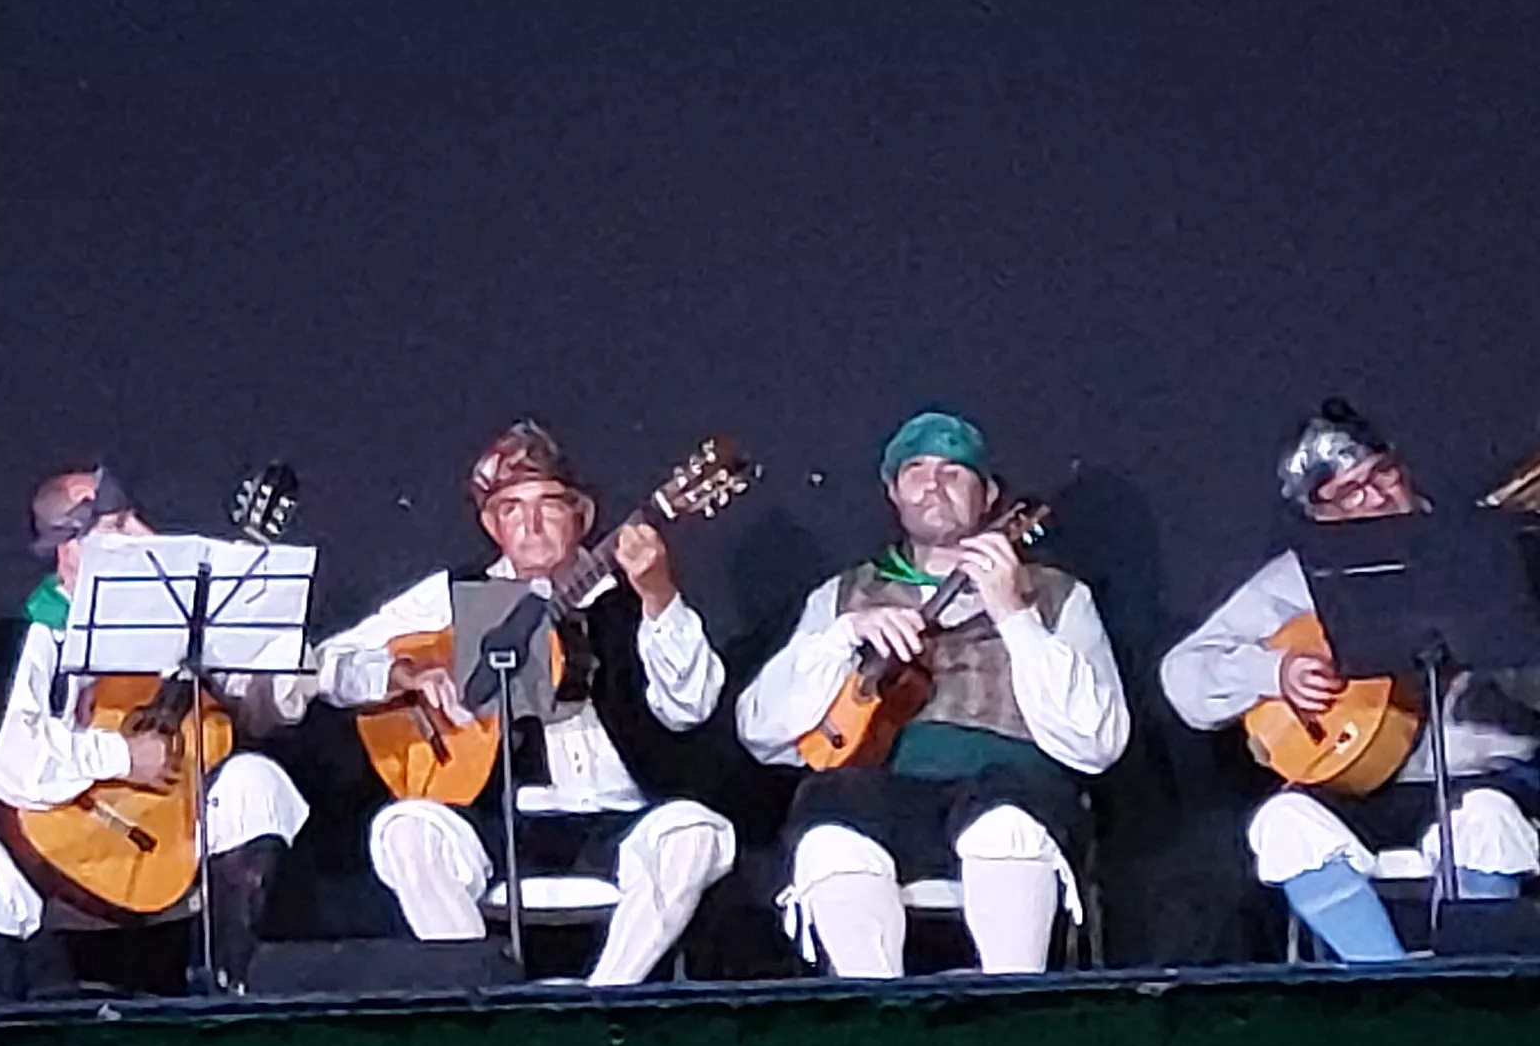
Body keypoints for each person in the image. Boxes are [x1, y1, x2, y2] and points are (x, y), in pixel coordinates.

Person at [309, 424, 737, 985]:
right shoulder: (455, 595)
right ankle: (480, 999)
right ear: (492, 526)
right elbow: (326, 664)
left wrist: (658, 594)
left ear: (580, 515)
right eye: (510, 509)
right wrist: (401, 673)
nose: (531, 525)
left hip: (613, 819)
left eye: (547, 506)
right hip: (496, 821)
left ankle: (606, 999)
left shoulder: (631, 594)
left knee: (697, 835)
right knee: (404, 829)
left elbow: (692, 705)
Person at [735, 409, 1126, 977]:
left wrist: (1015, 615)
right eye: (915, 470)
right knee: (831, 824)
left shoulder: (1059, 595)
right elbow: (761, 733)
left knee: (1004, 820)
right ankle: (875, 1019)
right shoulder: (845, 594)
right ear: (892, 492)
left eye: (954, 472)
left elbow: (1099, 742)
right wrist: (845, 634)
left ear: (988, 494)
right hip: (884, 791)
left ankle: (1011, 1010)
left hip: (1010, 787)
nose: (934, 483)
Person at [1154, 400, 1536, 962]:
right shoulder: (1301, 576)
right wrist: (1275, 672)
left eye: (1383, 474)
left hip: (1480, 775)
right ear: (1320, 514)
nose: (1378, 497)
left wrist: (1495, 636)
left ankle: (1470, 991)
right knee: (1284, 825)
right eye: (1351, 492)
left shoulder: (1488, 552)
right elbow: (1183, 676)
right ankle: (1386, 985)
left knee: (1486, 822)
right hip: (1358, 782)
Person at [0, 464, 308, 996]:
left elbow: (263, 703)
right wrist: (120, 757)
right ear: (69, 548)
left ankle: (230, 987)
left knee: (256, 781)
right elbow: (3, 756)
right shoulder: (36, 635)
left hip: (169, 833)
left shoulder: (172, 617)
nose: (141, 536)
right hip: (64, 841)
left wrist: (256, 634)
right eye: (118, 526)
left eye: (134, 519)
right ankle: (5, 1043)